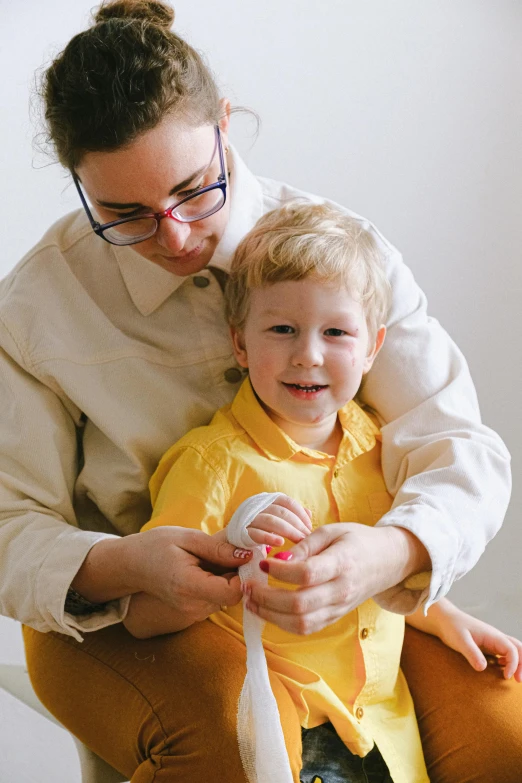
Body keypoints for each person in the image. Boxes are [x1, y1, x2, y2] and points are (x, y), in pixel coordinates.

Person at [0, 0, 518, 780]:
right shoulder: (38, 306)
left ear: (225, 126)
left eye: (193, 188)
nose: (174, 236)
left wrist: (394, 553)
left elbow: (457, 444)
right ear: (79, 184)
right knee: (236, 745)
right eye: (125, 215)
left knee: (505, 736)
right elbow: (9, 527)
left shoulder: (343, 250)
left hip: (332, 604)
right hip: (120, 618)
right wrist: (130, 565)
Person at [132, 201, 522, 783]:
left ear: (372, 348)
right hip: (289, 730)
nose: (308, 354)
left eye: (335, 332)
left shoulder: (378, 447)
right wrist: (229, 559)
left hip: (385, 733)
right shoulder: (211, 464)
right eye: (282, 329)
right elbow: (145, 612)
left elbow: (378, 578)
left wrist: (444, 617)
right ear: (240, 345)